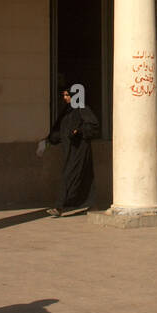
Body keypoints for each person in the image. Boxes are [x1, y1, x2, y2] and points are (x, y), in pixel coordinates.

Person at [38, 84, 100, 217]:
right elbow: (60, 131)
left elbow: (93, 126)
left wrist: (79, 131)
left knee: (69, 175)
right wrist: (48, 141)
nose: (65, 98)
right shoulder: (68, 111)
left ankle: (60, 206)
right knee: (81, 176)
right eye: (64, 95)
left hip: (80, 149)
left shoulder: (83, 108)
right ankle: (91, 204)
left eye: (68, 95)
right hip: (69, 150)